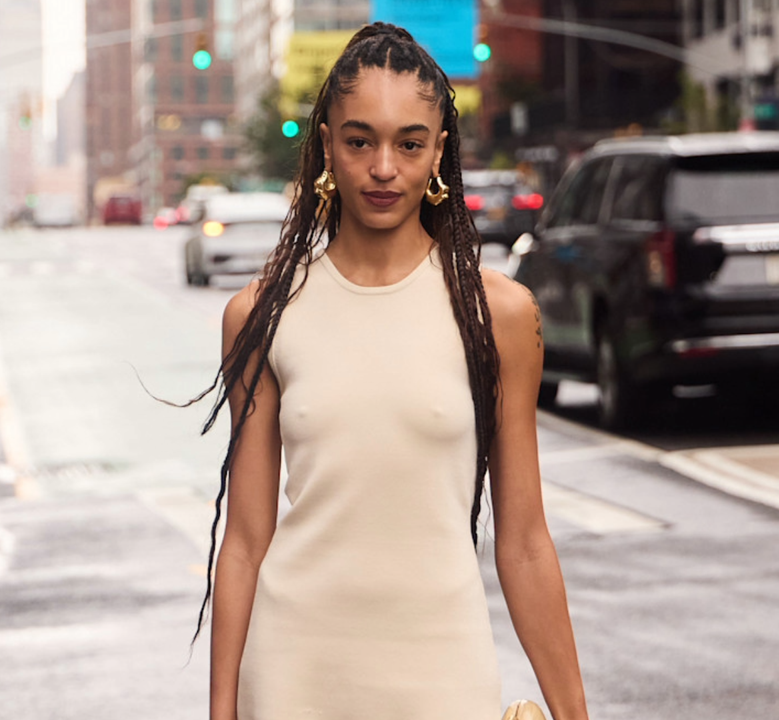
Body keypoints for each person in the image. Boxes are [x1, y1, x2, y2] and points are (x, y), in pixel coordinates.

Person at [198, 23, 589, 720]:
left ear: (439, 151)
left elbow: (524, 540)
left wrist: (574, 713)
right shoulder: (259, 315)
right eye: (359, 141)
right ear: (327, 145)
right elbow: (247, 539)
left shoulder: (498, 315)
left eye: (409, 143)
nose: (384, 167)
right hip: (295, 672)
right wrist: (221, 713)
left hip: (443, 671)